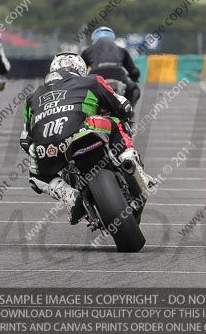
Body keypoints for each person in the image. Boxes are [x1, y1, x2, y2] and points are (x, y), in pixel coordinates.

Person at [19, 53, 156, 221]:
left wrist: (40, 146)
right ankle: (132, 165)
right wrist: (123, 112)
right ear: (80, 69)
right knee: (114, 123)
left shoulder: (31, 98)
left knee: (35, 176)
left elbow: (25, 139)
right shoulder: (93, 81)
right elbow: (123, 106)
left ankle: (67, 194)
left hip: (45, 147)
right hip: (81, 131)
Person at [81, 26, 141, 108]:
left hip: (96, 77)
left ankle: (85, 114)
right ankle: (128, 112)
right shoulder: (121, 50)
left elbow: (80, 69)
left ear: (94, 38)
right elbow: (134, 71)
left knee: (81, 91)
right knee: (134, 89)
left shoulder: (88, 51)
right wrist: (134, 78)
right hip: (118, 75)